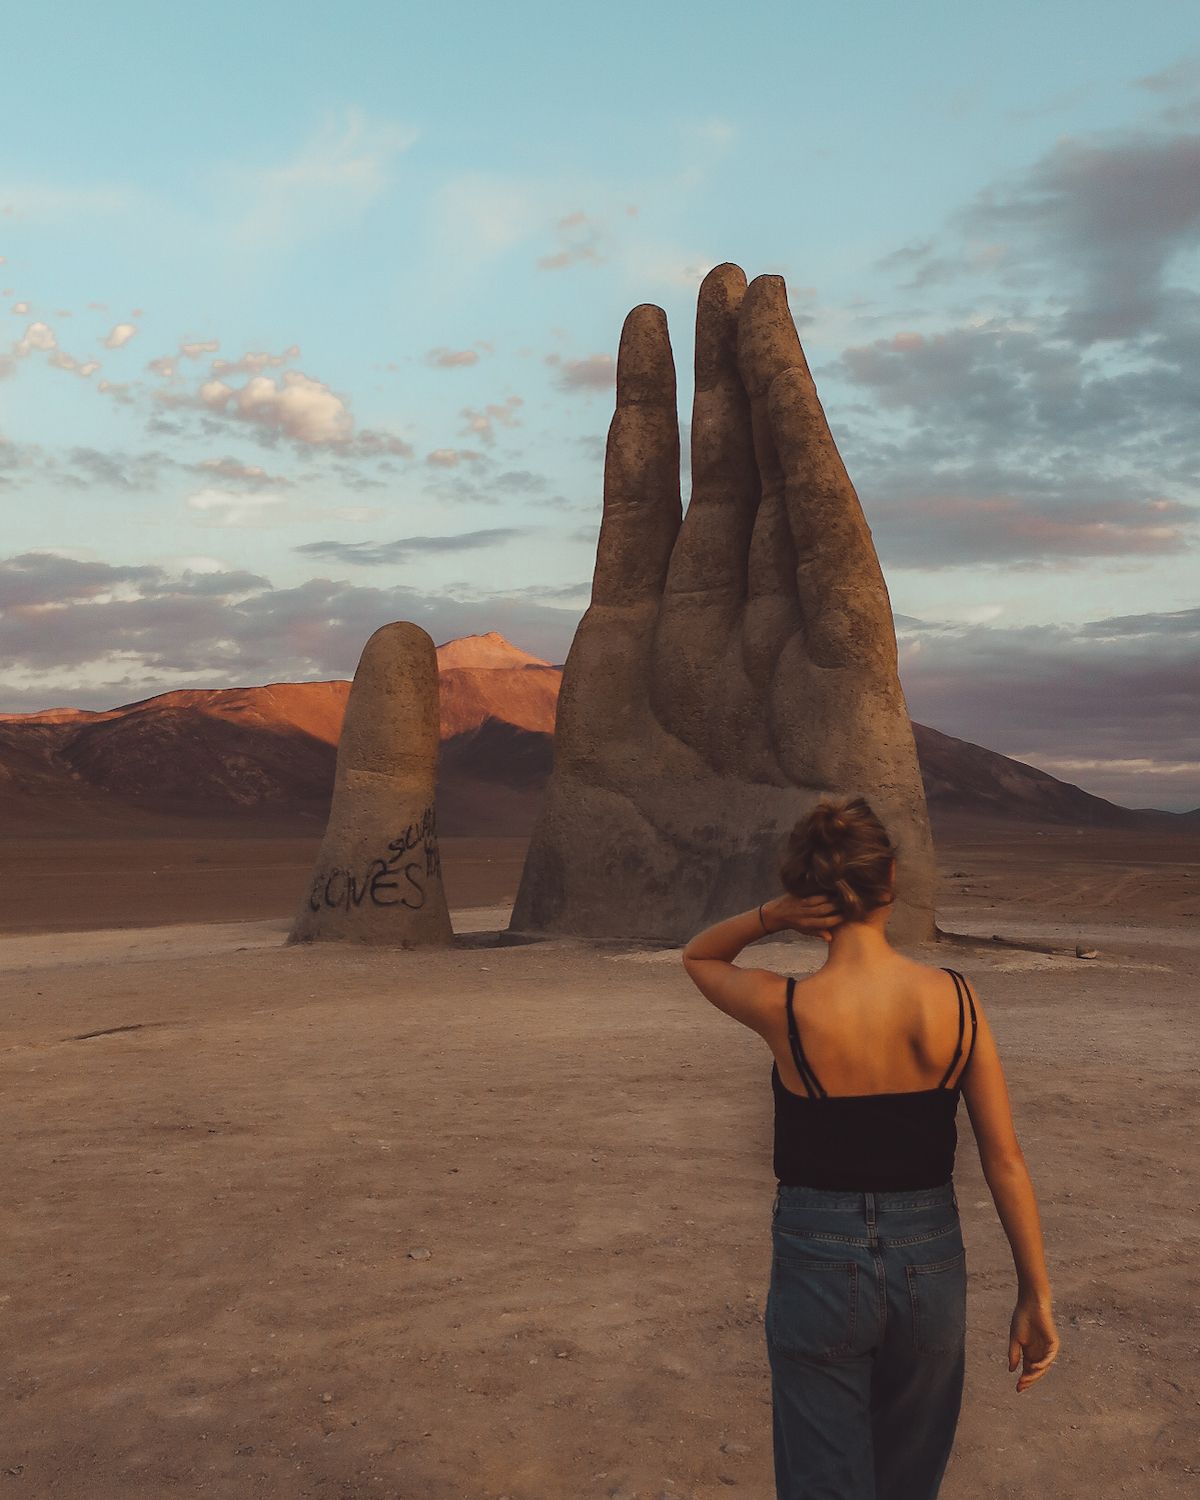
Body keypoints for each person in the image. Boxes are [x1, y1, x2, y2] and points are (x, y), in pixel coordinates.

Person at [680, 795, 1060, 1499]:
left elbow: (700, 956)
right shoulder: (956, 1000)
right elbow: (1005, 1158)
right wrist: (1035, 1292)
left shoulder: (785, 1007)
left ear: (809, 891)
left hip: (817, 1259)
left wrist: (771, 916)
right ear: (891, 878)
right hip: (930, 1261)